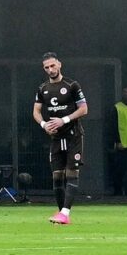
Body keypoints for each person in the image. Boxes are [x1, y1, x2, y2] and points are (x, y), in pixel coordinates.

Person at [31, 54, 90, 224]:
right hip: (56, 138)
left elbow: (84, 109)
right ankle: (61, 214)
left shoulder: (72, 85)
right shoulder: (42, 88)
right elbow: (35, 111)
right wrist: (44, 125)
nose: (50, 70)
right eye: (46, 67)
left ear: (59, 65)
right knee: (57, 176)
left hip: (73, 135)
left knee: (71, 173)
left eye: (52, 66)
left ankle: (65, 213)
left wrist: (63, 120)